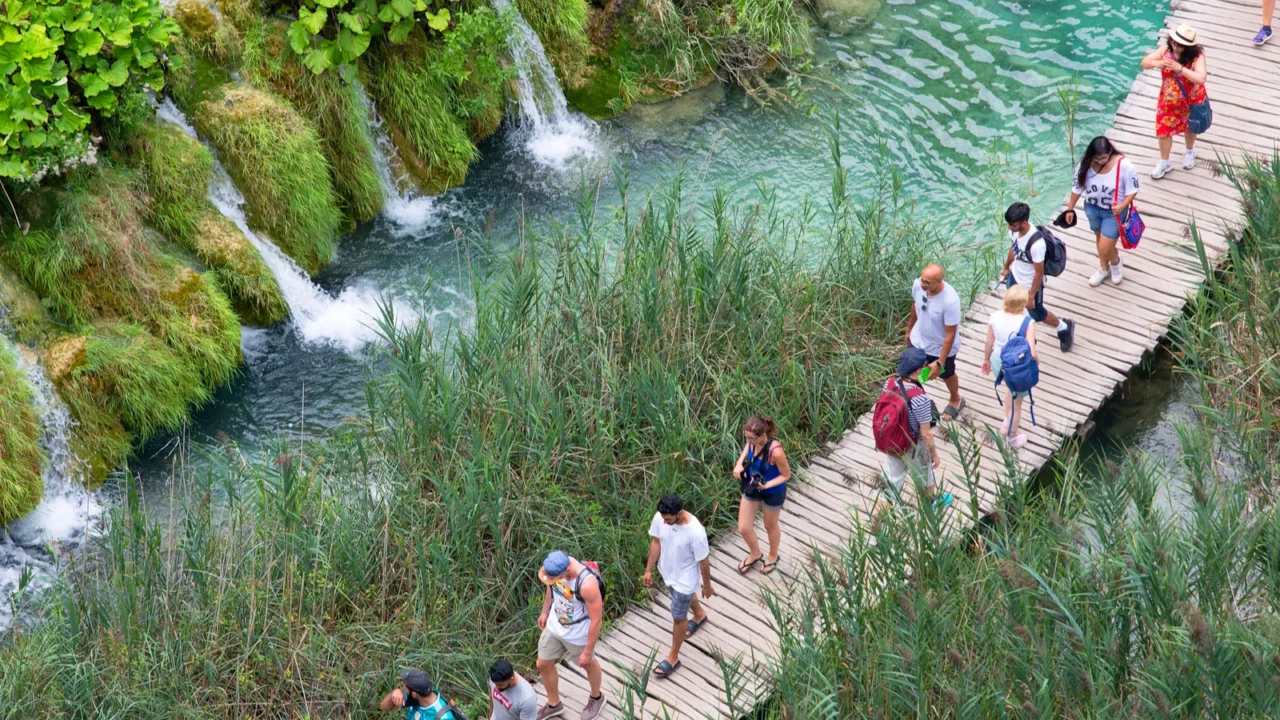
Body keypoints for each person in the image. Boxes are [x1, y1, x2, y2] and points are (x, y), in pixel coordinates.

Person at [642, 494, 714, 679]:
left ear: (679, 513)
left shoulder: (695, 532)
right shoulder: (661, 517)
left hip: (685, 581)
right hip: (668, 573)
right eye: (663, 519)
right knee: (680, 602)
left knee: (678, 617)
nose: (664, 523)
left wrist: (706, 585)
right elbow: (656, 541)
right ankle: (699, 614)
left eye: (668, 519)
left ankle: (673, 658)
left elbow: (704, 561)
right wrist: (648, 569)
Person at [875, 347, 951, 518]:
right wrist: (934, 454)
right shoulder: (919, 398)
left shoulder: (889, 383)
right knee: (925, 474)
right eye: (925, 365)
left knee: (890, 485)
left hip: (893, 440)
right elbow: (926, 434)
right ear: (918, 370)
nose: (927, 367)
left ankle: (877, 527)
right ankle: (930, 505)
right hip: (913, 445)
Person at [536, 551, 605, 720]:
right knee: (543, 663)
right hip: (555, 625)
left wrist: (587, 651)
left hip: (577, 634)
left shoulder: (586, 585)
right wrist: (545, 611)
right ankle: (554, 704)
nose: (551, 580)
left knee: (588, 665)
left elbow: (597, 621)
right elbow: (551, 587)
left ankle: (597, 697)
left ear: (566, 570)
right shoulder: (554, 569)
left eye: (555, 578)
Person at [1062, 136, 1139, 287]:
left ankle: (1115, 262)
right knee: (1099, 237)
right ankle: (1104, 268)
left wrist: (1122, 205)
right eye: (1097, 158)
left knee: (1105, 247)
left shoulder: (1124, 166)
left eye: (1104, 158)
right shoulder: (1085, 164)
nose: (1100, 161)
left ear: (1110, 152)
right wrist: (1070, 209)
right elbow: (1077, 188)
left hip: (1113, 213)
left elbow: (1133, 190)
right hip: (1092, 208)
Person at [999, 202, 1074, 352]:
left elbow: (1038, 272)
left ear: (1023, 223)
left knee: (1038, 314)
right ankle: (1022, 332)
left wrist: (1031, 296)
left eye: (1012, 224)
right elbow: (1013, 249)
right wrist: (1006, 267)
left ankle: (1064, 326)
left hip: (1029, 284)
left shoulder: (1037, 245)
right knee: (1013, 304)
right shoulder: (1014, 232)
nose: (1009, 227)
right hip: (1015, 276)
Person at [1140, 25, 1207, 179]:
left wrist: (1180, 69)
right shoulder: (1165, 50)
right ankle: (1164, 162)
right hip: (1168, 100)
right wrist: (1155, 63)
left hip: (1191, 100)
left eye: (1180, 46)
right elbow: (1144, 62)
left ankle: (1190, 151)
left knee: (1190, 128)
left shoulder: (1198, 56)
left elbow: (1201, 78)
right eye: (1174, 43)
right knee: (1163, 131)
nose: (1175, 47)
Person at [981, 285, 1040, 448]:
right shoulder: (1027, 322)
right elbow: (1031, 350)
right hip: (1017, 365)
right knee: (1017, 403)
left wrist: (986, 360)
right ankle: (1011, 436)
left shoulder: (995, 316)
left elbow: (989, 342)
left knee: (1009, 389)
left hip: (998, 361)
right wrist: (1036, 362)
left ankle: (1007, 421)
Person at [732, 416, 790, 575]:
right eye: (746, 437)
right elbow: (747, 446)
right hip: (753, 486)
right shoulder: (752, 442)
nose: (749, 441)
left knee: (770, 525)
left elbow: (786, 475)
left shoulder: (776, 451)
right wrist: (739, 463)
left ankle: (773, 555)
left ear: (763, 435)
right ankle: (755, 553)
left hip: (773, 491)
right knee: (743, 527)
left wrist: (767, 485)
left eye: (752, 438)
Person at [906, 264, 964, 419]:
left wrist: (940, 363)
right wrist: (909, 329)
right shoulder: (918, 286)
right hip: (918, 340)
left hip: (940, 348)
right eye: (922, 280)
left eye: (927, 282)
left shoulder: (950, 301)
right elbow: (915, 306)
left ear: (939, 281)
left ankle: (955, 399)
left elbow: (950, 334)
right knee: (914, 372)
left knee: (947, 374)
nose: (922, 284)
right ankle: (916, 400)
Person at [378, 669, 458, 720]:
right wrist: (394, 694)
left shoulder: (444, 717)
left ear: (414, 694)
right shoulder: (416, 698)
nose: (403, 688)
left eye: (404, 686)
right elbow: (384, 707)